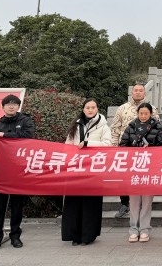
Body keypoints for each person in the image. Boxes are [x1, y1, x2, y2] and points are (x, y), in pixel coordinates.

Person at [0, 94, 35, 253]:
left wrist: (6, 135)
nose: (11, 106)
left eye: (14, 104)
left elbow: (29, 135)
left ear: (18, 106)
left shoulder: (25, 121)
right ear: (3, 107)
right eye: (8, 104)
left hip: (18, 172)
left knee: (17, 206)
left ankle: (15, 236)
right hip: (0, 174)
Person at [61, 98, 111, 246]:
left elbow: (108, 144)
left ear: (97, 109)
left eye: (93, 107)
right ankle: (74, 235)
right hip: (75, 168)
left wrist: (88, 144)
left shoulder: (103, 126)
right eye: (87, 107)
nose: (90, 110)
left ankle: (88, 235)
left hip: (94, 169)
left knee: (91, 203)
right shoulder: (76, 125)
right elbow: (67, 146)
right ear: (83, 109)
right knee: (73, 203)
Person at [110, 83, 159, 219]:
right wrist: (114, 147)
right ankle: (124, 204)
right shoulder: (122, 108)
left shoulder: (152, 109)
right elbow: (115, 129)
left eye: (140, 90)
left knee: (143, 177)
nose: (138, 92)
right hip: (126, 149)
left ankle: (143, 204)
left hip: (145, 151)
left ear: (144, 93)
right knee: (124, 178)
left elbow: (157, 128)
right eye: (135, 90)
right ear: (131, 92)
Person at [119, 103, 162, 243]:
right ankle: (133, 229)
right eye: (141, 113)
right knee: (134, 201)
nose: (143, 116)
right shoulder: (131, 127)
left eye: (146, 113)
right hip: (133, 168)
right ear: (137, 113)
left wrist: (151, 148)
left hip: (150, 169)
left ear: (150, 114)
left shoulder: (157, 127)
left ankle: (145, 229)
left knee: (147, 202)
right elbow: (123, 145)